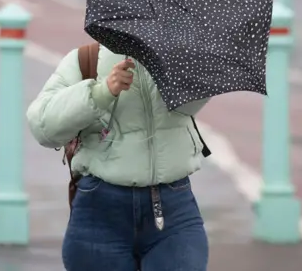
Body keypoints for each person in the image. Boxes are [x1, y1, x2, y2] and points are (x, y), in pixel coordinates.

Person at [27, 46, 210, 271]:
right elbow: (42, 126)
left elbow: (187, 109)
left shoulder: (181, 55)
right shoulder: (86, 59)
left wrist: (200, 78)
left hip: (174, 208)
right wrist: (101, 92)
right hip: (99, 209)